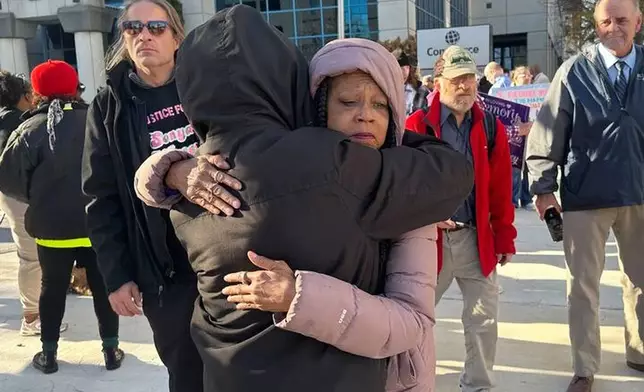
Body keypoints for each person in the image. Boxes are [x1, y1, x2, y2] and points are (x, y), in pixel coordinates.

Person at [134, 5, 473, 391]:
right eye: (347, 102)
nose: (366, 116)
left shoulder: (188, 188)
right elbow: (453, 174)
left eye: (382, 106)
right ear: (297, 89)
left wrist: (167, 169)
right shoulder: (333, 164)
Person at [81, 0, 231, 390]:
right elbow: (101, 197)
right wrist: (116, 275)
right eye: (132, 27)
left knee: (239, 367)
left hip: (227, 253)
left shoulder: (209, 87)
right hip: (163, 270)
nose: (144, 35)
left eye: (156, 27)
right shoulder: (108, 106)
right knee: (186, 371)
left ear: (177, 36)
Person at [526, 1, 644, 391]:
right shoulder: (573, 71)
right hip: (584, 198)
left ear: (638, 22)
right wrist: (543, 189)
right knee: (583, 287)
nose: (614, 28)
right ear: (596, 26)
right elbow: (545, 131)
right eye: (605, 21)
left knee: (641, 281)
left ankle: (639, 351)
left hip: (639, 195)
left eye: (622, 19)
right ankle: (585, 368)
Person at [0, 60, 123, 374]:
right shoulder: (98, 120)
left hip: (51, 229)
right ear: (75, 86)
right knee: (104, 288)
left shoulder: (28, 128)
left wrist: (41, 198)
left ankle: (49, 356)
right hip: (97, 225)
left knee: (51, 289)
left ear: (37, 92)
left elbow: (10, 180)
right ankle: (111, 351)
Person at [406, 46, 517, 392]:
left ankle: (478, 385)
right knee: (413, 318)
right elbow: (404, 186)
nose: (465, 86)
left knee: (483, 319)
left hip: (475, 239)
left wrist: (504, 238)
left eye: (469, 77)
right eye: (456, 79)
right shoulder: (416, 125)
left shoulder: (491, 128)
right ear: (438, 82)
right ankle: (410, 381)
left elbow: (501, 189)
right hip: (428, 241)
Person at [0, 70, 47, 336]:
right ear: (25, 96)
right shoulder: (20, 122)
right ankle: (31, 317)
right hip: (20, 195)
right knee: (30, 256)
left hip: (9, 195)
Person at [510, 66, 535, 211]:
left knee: (529, 169)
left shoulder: (536, 93)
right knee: (515, 168)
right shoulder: (508, 93)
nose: (527, 77)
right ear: (515, 78)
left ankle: (526, 198)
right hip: (515, 135)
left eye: (529, 74)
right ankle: (513, 199)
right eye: (523, 75)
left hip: (532, 134)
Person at [393, 49, 428, 115]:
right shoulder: (384, 91)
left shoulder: (421, 91)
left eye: (407, 68)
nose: (404, 72)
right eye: (400, 68)